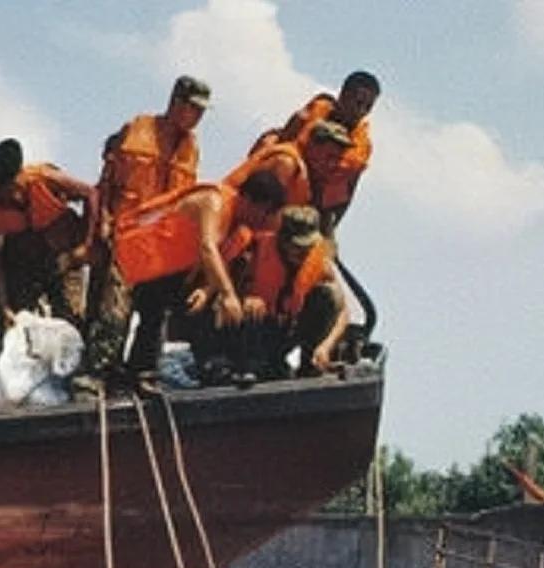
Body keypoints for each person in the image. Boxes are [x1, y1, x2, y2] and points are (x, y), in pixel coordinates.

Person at [91, 173, 288, 391]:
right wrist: (227, 294)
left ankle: (161, 371)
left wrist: (206, 290)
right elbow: (207, 247)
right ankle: (95, 381)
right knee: (112, 330)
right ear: (251, 201)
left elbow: (216, 263)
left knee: (178, 312)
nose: (265, 219)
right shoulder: (213, 201)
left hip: (163, 274)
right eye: (266, 212)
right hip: (128, 260)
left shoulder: (239, 231)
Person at [83, 76, 209, 388]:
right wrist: (103, 221)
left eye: (202, 111)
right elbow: (107, 181)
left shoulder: (191, 148)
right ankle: (100, 372)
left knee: (155, 311)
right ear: (177, 103)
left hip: (162, 244)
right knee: (115, 307)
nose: (198, 117)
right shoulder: (136, 131)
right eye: (194, 109)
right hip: (127, 234)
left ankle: (141, 370)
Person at [213, 205, 348, 386]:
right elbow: (219, 295)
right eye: (297, 246)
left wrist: (326, 346)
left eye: (308, 246)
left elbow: (343, 311)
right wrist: (243, 299)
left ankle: (309, 366)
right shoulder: (253, 251)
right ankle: (248, 368)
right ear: (283, 240)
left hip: (285, 330)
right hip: (247, 331)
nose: (303, 252)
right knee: (251, 309)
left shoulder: (319, 264)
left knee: (329, 294)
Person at [0, 138, 93, 327]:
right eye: (0, 191)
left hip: (63, 256)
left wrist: (86, 246)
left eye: (10, 188)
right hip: (23, 262)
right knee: (12, 321)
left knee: (71, 320)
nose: (8, 196)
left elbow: (91, 194)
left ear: (19, 176)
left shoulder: (45, 178)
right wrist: (4, 305)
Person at [274, 71, 379, 232]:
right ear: (343, 95)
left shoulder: (361, 149)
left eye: (367, 107)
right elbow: (276, 152)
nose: (361, 111)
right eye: (358, 103)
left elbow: (346, 195)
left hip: (311, 211)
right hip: (277, 192)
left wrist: (327, 232)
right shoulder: (307, 116)